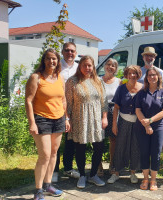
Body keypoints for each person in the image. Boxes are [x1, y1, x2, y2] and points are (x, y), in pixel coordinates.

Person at [25, 48, 68, 200]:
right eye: (49, 58)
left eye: (54, 59)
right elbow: (29, 101)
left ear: (58, 61)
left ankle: (48, 185)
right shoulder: (36, 77)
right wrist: (32, 123)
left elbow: (63, 100)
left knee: (54, 153)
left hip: (59, 119)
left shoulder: (60, 77)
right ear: (44, 60)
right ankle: (38, 190)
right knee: (44, 155)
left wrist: (66, 118)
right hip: (42, 119)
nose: (52, 61)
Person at [65, 55, 108, 189]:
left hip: (96, 119)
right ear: (80, 66)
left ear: (93, 66)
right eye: (85, 65)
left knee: (99, 147)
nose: (87, 68)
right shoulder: (72, 81)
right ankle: (82, 175)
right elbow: (67, 103)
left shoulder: (98, 81)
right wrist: (68, 119)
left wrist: (104, 117)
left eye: (90, 65)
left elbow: (104, 102)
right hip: (80, 118)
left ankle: (93, 174)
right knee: (80, 148)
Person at [107, 65, 143, 184]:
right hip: (123, 121)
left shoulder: (142, 88)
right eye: (129, 73)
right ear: (126, 75)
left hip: (137, 123)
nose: (132, 75)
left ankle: (133, 173)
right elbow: (116, 107)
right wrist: (114, 124)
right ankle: (116, 172)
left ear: (138, 75)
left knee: (135, 147)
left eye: (134, 73)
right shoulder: (121, 88)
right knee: (120, 146)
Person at [135, 67, 163, 191]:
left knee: (155, 154)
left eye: (154, 75)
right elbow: (137, 110)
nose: (152, 77)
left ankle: (153, 180)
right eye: (149, 75)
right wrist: (146, 125)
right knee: (144, 152)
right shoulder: (142, 92)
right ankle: (145, 179)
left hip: (160, 127)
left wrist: (150, 120)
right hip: (142, 127)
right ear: (146, 78)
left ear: (158, 77)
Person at [53, 42, 80, 183]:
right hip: (57, 107)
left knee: (71, 141)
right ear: (62, 52)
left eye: (72, 51)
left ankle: (68, 168)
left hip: (75, 108)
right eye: (67, 50)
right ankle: (54, 170)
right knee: (56, 140)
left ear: (76, 53)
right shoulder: (57, 67)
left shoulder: (78, 68)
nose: (70, 53)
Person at [98, 58, 121, 176]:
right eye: (108, 64)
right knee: (99, 139)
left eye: (113, 65)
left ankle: (112, 164)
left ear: (116, 69)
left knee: (113, 139)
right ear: (104, 66)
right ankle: (99, 164)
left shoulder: (119, 81)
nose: (110, 67)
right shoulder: (97, 80)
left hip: (114, 110)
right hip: (99, 110)